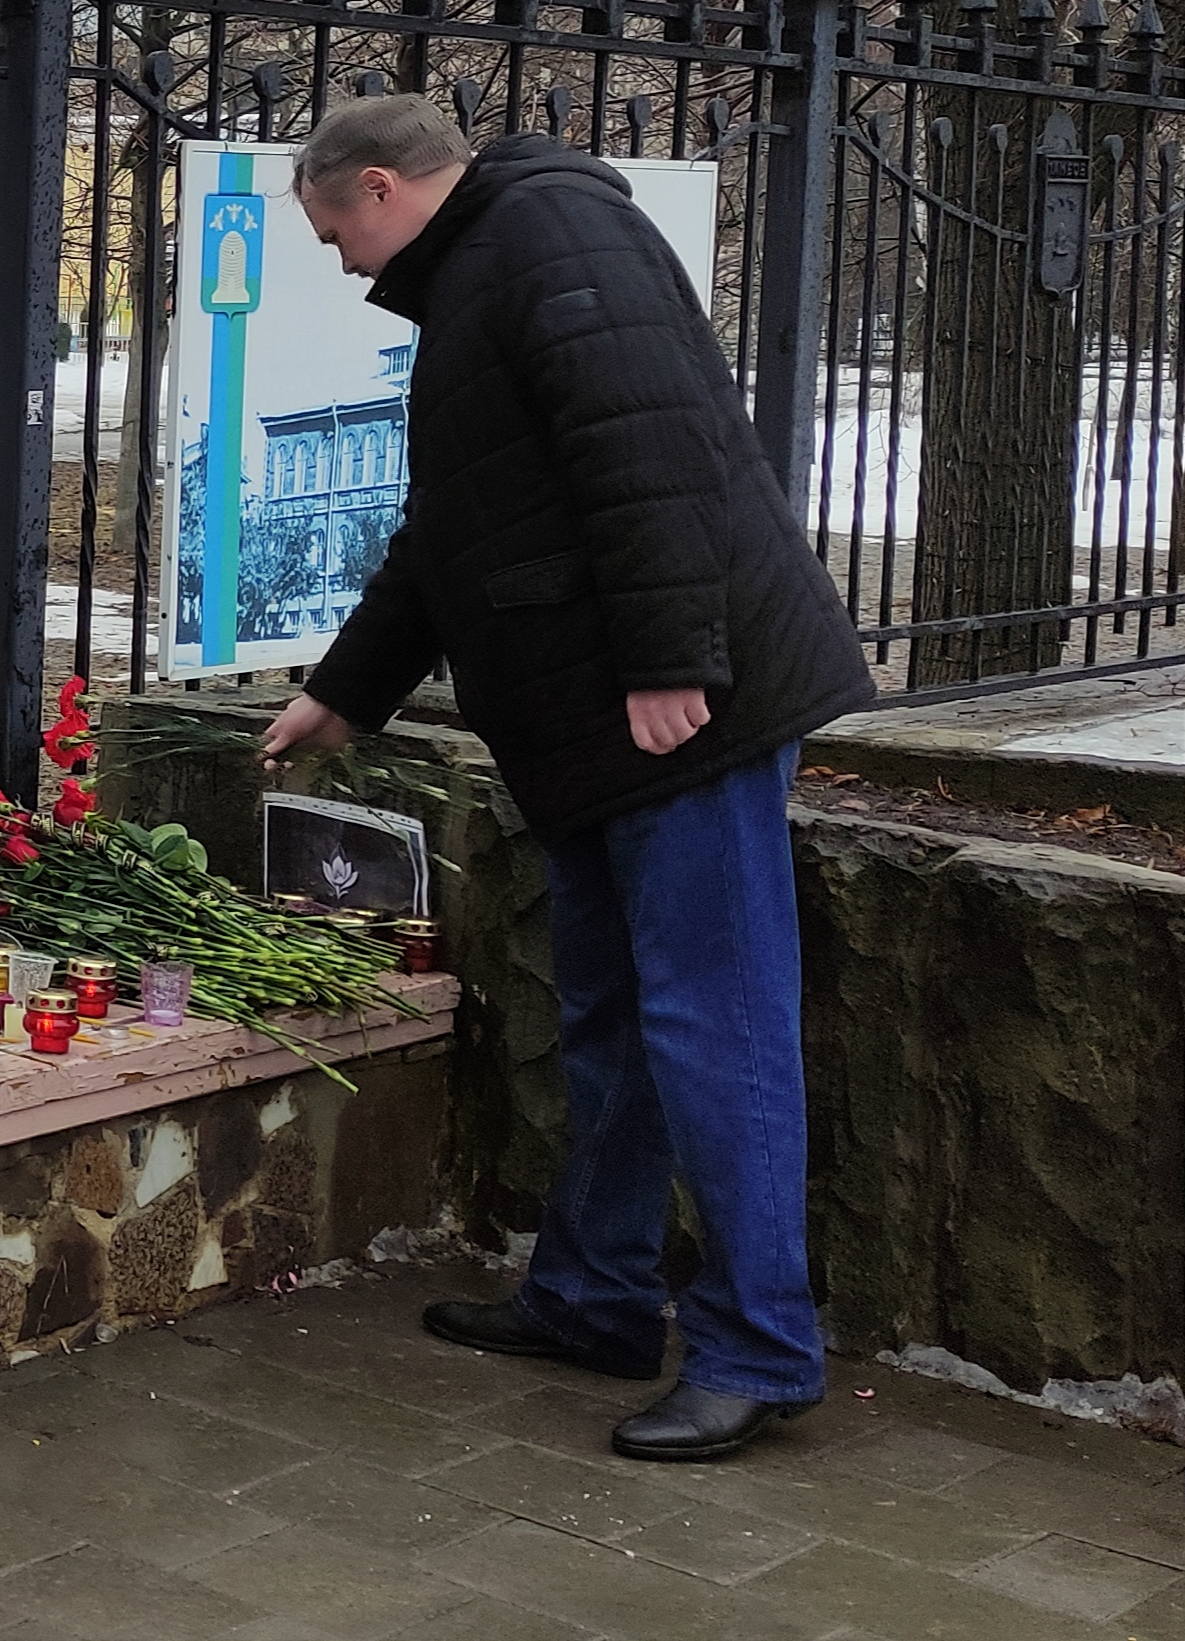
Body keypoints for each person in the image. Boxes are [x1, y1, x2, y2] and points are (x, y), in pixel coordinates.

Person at [257, 94, 872, 1463]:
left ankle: (759, 1351)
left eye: (333, 233)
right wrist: (343, 691)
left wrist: (670, 659)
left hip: (679, 709)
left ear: (379, 186)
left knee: (716, 1026)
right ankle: (594, 1296)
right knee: (608, 1011)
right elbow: (453, 527)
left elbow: (651, 448)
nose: (340, 263)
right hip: (597, 720)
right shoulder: (486, 266)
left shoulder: (550, 238)